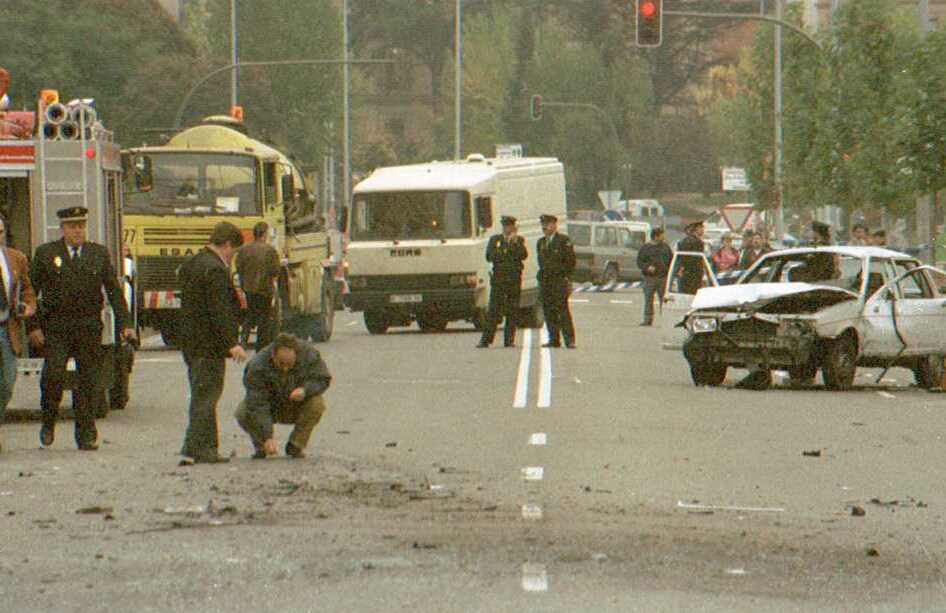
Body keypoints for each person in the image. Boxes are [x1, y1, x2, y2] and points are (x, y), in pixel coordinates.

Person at [28, 207, 134, 451]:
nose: (78, 231)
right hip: (57, 326)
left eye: (81, 226)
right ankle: (48, 420)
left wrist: (125, 324)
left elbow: (114, 292)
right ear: (63, 229)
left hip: (87, 326)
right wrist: (33, 327)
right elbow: (31, 293)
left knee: (88, 382)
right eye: (72, 226)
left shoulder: (97, 254)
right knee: (53, 376)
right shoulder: (47, 254)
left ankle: (86, 434)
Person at [178, 221, 248, 464]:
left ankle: (200, 446)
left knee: (201, 393)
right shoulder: (215, 270)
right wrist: (231, 342)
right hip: (208, 344)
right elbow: (219, 311)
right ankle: (197, 448)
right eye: (234, 251)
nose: (232, 257)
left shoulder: (192, 263)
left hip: (191, 342)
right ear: (227, 244)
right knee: (207, 396)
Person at [234, 333, 331, 459]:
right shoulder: (257, 366)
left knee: (317, 404)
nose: (285, 369)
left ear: (296, 354)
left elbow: (323, 378)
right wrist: (267, 436)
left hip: (297, 405)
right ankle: (262, 445)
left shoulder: (309, 355)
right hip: (271, 406)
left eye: (289, 364)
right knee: (242, 411)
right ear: (272, 355)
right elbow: (257, 403)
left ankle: (296, 444)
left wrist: (305, 390)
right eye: (281, 364)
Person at [0, 218, 36, 453]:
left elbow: (28, 291)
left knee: (7, 381)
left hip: (6, 328)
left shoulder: (16, 258)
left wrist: (27, 307)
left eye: (0, 231)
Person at [478, 216, 528, 348]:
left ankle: (509, 340)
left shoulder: (519, 240)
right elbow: (489, 256)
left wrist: (514, 243)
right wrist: (505, 251)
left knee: (512, 311)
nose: (507, 229)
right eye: (505, 226)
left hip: (513, 280)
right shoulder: (495, 240)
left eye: (509, 226)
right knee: (494, 310)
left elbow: (523, 255)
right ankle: (486, 339)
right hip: (499, 280)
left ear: (513, 228)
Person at [236, 221, 281, 350]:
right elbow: (275, 270)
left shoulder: (244, 250)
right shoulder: (270, 250)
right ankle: (261, 346)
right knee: (264, 318)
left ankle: (243, 340)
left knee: (250, 314)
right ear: (264, 234)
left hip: (248, 289)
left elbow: (239, 267)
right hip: (264, 289)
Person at [536, 214, 576, 348]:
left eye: (547, 224)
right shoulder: (541, 242)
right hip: (546, 282)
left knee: (563, 311)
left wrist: (564, 276)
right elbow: (541, 262)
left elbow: (570, 261)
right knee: (549, 312)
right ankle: (553, 339)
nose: (545, 227)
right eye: (543, 224)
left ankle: (569, 340)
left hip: (558, 281)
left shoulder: (563, 241)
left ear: (554, 225)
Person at [636, 227, 673, 327]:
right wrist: (647, 267)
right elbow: (639, 261)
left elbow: (671, 260)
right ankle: (648, 319)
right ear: (656, 236)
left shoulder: (666, 247)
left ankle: (665, 320)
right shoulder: (645, 248)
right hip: (649, 278)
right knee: (648, 299)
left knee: (663, 300)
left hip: (663, 277)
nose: (663, 237)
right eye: (661, 235)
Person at [676, 221, 706, 295]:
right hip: (693, 275)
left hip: (686, 273)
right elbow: (696, 259)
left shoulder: (683, 241)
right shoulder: (697, 242)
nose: (703, 230)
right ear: (696, 229)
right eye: (701, 228)